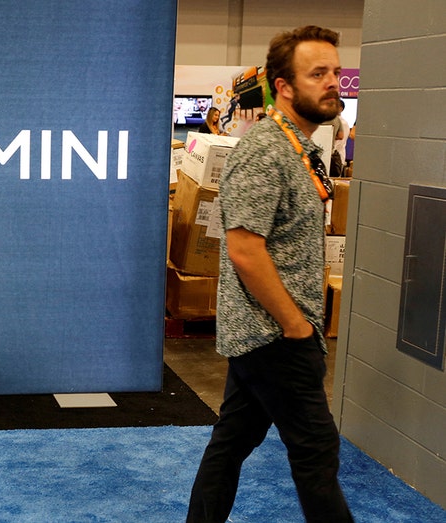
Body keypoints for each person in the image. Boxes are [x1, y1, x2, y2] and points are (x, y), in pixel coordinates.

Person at [186, 25, 354, 523]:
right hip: (275, 336)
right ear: (283, 86)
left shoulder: (301, 149)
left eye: (335, 73)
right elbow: (243, 249)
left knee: (232, 442)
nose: (332, 83)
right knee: (316, 452)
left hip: (266, 333)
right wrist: (296, 325)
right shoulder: (266, 151)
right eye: (317, 74)